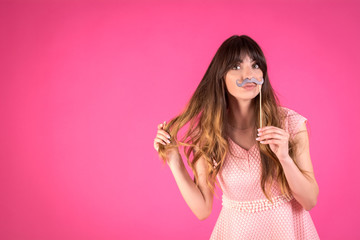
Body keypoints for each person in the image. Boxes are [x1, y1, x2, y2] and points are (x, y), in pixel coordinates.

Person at [153, 35, 320, 239]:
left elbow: (310, 201)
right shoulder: (208, 135)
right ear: (220, 76)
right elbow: (202, 210)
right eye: (236, 66)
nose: (248, 74)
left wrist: (285, 158)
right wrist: (174, 161)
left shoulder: (290, 124)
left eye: (255, 65)